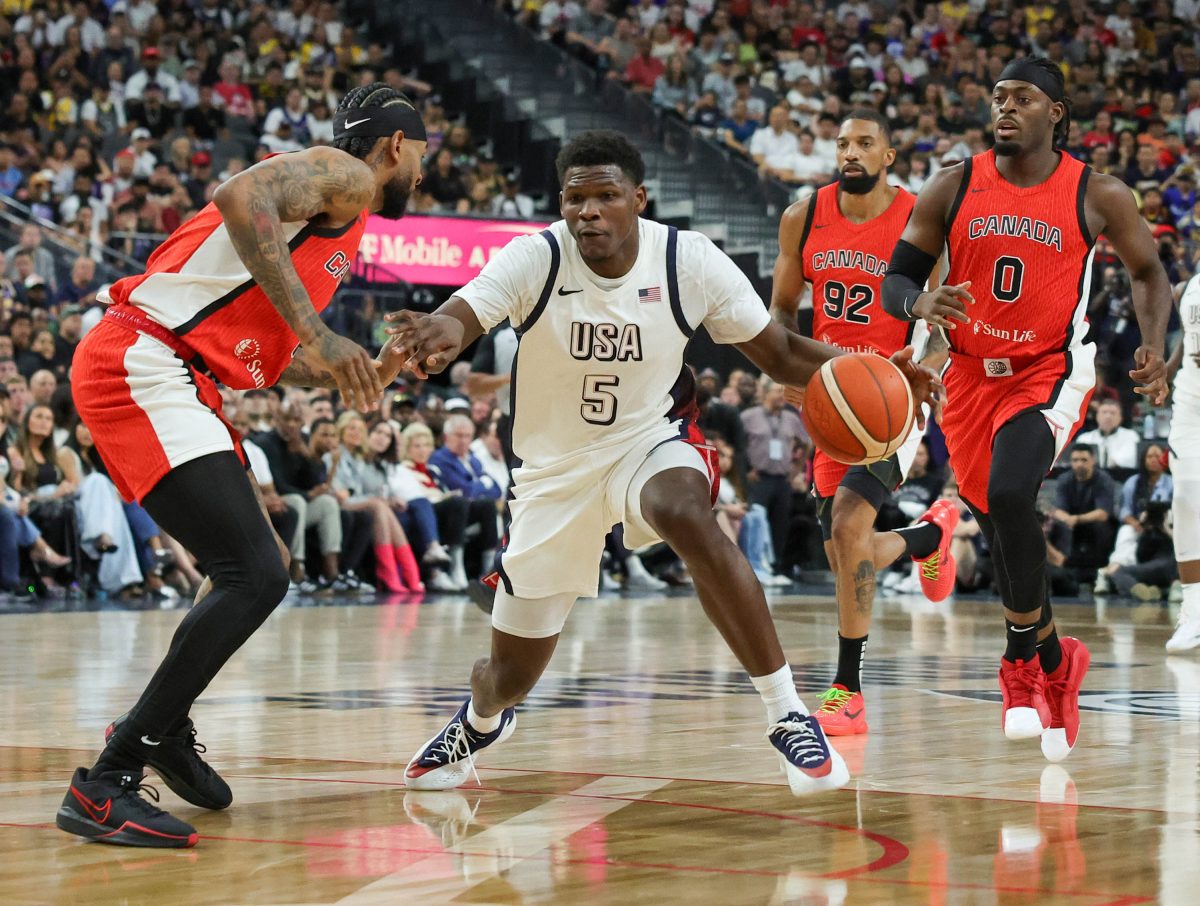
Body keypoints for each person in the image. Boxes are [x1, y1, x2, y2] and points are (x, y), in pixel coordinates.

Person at [388, 130, 939, 797]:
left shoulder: (687, 260)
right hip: (553, 476)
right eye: (575, 198)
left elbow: (783, 353)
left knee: (683, 511)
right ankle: (480, 722)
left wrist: (880, 369)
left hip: (649, 441)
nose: (588, 211)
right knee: (504, 675)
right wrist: (435, 337)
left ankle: (787, 712)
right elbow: (461, 315)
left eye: (605, 196)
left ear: (639, 199)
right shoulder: (536, 257)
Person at [58, 83, 426, 847]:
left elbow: (270, 355)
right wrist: (320, 332)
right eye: (423, 152)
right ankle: (108, 778)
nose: (423, 167)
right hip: (143, 360)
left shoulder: (334, 218)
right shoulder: (348, 177)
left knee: (252, 567)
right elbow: (239, 190)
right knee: (254, 572)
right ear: (397, 145)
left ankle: (161, 728)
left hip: (178, 371)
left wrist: (368, 365)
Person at [882, 57, 1171, 763]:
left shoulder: (1096, 193)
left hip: (1048, 370)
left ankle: (1016, 667)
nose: (1005, 108)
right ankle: (1056, 662)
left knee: (1014, 493)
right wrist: (919, 303)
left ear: (1057, 114)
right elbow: (897, 278)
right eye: (998, 98)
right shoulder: (952, 183)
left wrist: (1157, 346)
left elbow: (1148, 272)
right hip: (970, 376)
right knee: (1008, 532)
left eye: (1022, 99)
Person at [769, 109, 955, 738]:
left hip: (894, 397)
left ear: (889, 156)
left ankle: (847, 691)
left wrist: (924, 368)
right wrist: (787, 371)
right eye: (843, 143)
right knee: (846, 553)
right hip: (830, 400)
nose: (850, 152)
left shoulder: (918, 219)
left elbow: (949, 319)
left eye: (864, 143)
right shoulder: (804, 216)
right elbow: (779, 312)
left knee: (850, 528)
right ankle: (928, 539)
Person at [1167, 271, 1200, 652]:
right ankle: (1193, 611)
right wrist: (1167, 366)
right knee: (1185, 499)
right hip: (1190, 407)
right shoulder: (1185, 288)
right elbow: (1185, 341)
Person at [1051, 443, 1118, 579]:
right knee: (1056, 526)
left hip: (1095, 523)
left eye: (1084, 460)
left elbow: (1103, 513)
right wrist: (1068, 519)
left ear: (1093, 460)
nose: (1079, 464)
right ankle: (1061, 569)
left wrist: (1076, 519)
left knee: (1101, 528)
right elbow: (1057, 510)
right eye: (1075, 460)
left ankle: (1097, 572)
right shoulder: (1065, 479)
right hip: (1072, 523)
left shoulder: (1103, 479)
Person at [1074, 399, 1140, 470]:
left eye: (1113, 413)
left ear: (1120, 418)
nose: (1108, 416)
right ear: (1097, 416)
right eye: (1104, 412)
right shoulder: (1084, 439)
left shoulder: (1131, 436)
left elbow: (1131, 460)